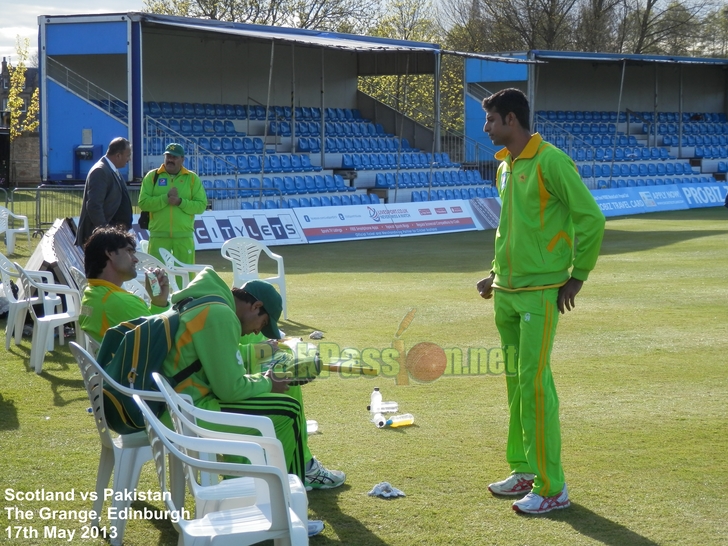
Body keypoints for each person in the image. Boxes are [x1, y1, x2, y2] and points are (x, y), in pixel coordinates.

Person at [476, 88, 605, 515]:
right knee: (516, 384)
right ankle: (525, 470)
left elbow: (591, 216)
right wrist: (494, 274)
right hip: (506, 293)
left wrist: (578, 276)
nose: (486, 128)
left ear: (511, 119)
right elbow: (511, 229)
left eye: (491, 120)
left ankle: (553, 488)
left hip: (539, 294)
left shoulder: (552, 161)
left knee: (534, 385)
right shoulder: (505, 168)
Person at [157, 267, 345, 492]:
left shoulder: (203, 299)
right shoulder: (220, 314)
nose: (258, 331)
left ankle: (242, 490)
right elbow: (230, 390)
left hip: (177, 404)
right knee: (287, 411)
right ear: (255, 307)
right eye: (263, 324)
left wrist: (255, 355)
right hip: (188, 413)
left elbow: (202, 355)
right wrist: (268, 382)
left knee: (275, 397)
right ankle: (287, 497)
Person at [79, 226, 170, 342]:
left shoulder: (91, 293)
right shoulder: (121, 302)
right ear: (110, 253)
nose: (135, 259)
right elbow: (162, 339)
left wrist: (159, 303)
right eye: (128, 251)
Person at [138, 143, 207, 264]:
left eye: (174, 157)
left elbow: (201, 206)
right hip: (158, 236)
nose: (170, 160)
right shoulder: (152, 176)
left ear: (182, 159)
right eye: (168, 156)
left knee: (185, 276)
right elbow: (143, 203)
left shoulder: (192, 178)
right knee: (156, 276)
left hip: (184, 237)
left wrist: (180, 202)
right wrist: (165, 199)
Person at [75, 138, 133, 247]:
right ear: (118, 155)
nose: (129, 159)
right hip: (101, 239)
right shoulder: (100, 171)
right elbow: (94, 206)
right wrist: (106, 232)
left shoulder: (112, 170)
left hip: (113, 236)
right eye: (128, 155)